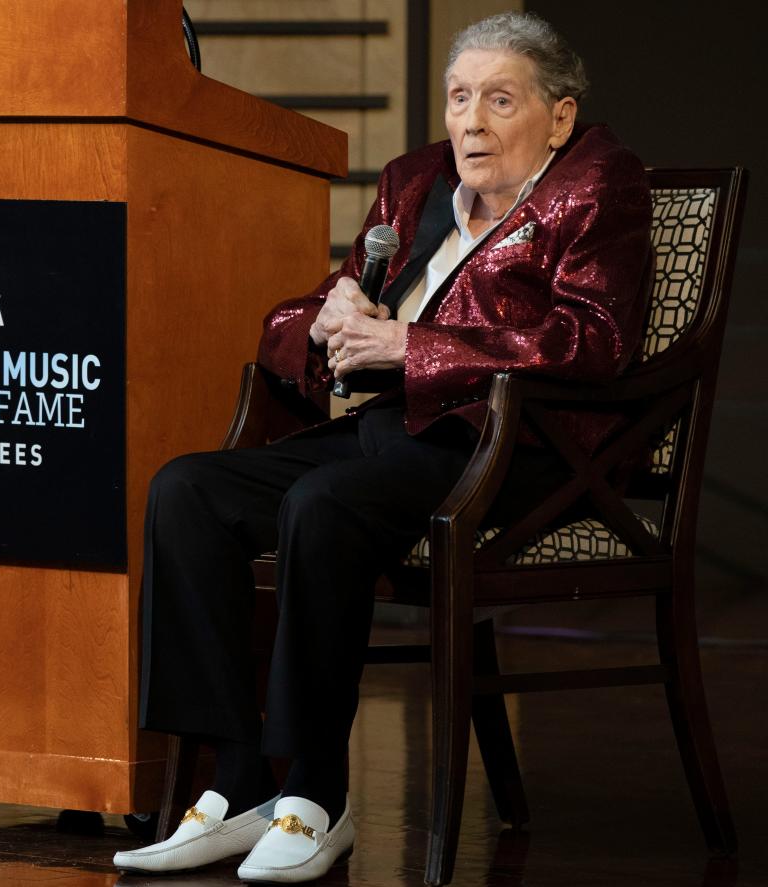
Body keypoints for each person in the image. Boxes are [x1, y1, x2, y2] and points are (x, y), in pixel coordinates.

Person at [113, 11, 652, 884]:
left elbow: (591, 341)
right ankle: (237, 784)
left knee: (322, 505)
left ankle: (316, 798)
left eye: (499, 99)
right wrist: (323, 323)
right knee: (187, 490)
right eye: (459, 97)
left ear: (559, 116)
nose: (471, 120)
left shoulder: (598, 184)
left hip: (518, 450)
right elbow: (302, 318)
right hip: (392, 433)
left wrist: (414, 348)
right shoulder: (417, 185)